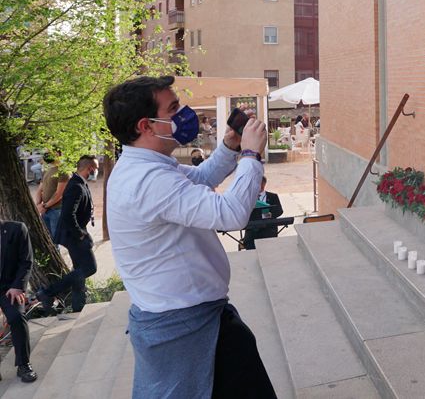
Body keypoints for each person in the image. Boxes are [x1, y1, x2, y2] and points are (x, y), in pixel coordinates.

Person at [101, 75, 275, 399]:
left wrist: (230, 146)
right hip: (184, 327)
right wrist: (251, 155)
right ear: (147, 126)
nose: (184, 113)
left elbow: (201, 178)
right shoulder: (147, 181)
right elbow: (232, 213)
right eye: (173, 108)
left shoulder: (148, 166)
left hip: (195, 318)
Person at [35, 155, 98, 313]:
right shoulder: (75, 185)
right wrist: (80, 234)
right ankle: (48, 292)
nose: (96, 171)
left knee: (79, 271)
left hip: (74, 234)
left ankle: (78, 306)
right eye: (95, 168)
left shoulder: (79, 182)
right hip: (74, 236)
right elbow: (68, 214)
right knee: (90, 268)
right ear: (89, 168)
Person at [0, 218, 37, 383]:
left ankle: (23, 364)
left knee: (16, 317)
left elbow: (26, 261)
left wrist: (18, 286)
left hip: (10, 287)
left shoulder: (16, 229)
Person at [243, 176, 283, 250]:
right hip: (252, 231)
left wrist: (267, 215)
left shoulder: (273, 196)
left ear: (264, 184)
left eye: (260, 184)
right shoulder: (247, 198)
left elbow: (279, 211)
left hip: (268, 230)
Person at [35, 157, 69, 240]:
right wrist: (38, 205)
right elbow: (40, 189)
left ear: (57, 153)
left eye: (49, 151)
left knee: (56, 240)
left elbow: (59, 193)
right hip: (45, 211)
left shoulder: (63, 171)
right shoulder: (47, 170)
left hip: (56, 210)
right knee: (47, 239)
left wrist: (44, 206)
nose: (46, 155)